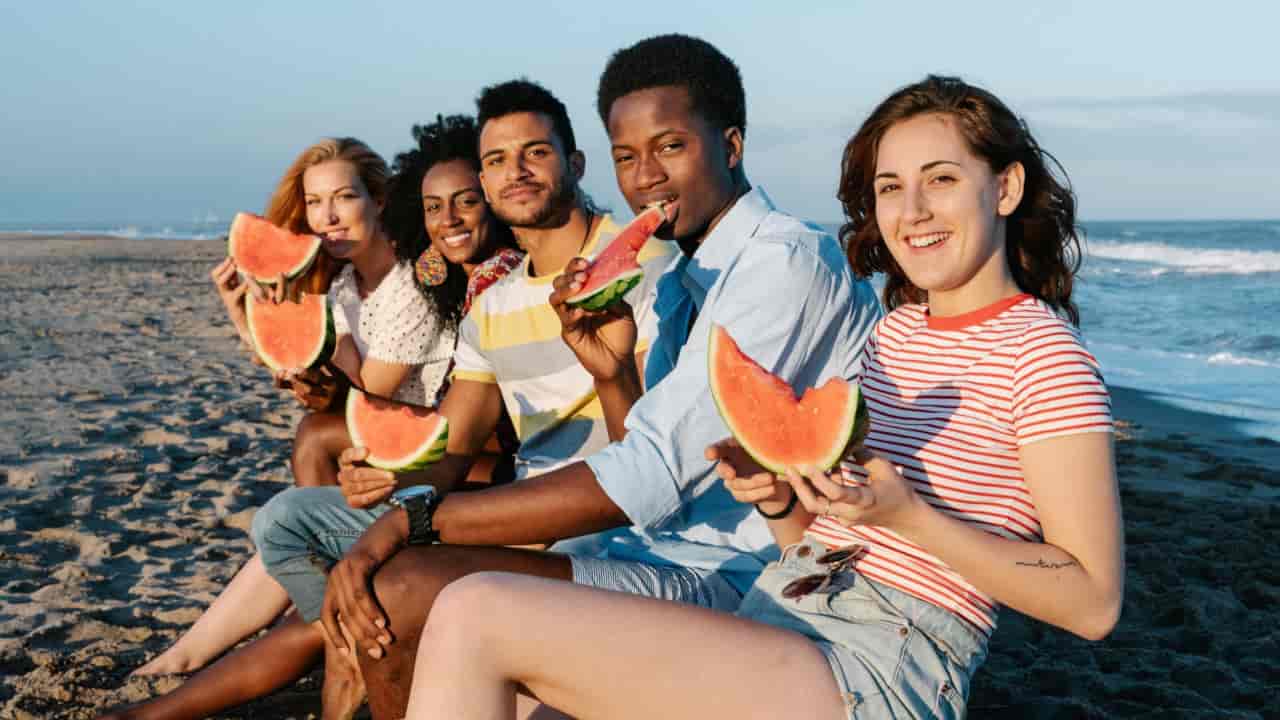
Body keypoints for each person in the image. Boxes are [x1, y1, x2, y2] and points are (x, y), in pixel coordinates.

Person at [401, 74, 1125, 720]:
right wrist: (779, 501)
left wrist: (912, 518)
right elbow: (826, 540)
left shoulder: (1045, 355)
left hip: (882, 663)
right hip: (786, 604)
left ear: (1004, 188)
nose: (913, 211)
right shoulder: (898, 332)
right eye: (890, 187)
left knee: (474, 611)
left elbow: (1093, 602)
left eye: (940, 179)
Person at [310, 36, 882, 718]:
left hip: (745, 577)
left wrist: (416, 518)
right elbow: (652, 465)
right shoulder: (683, 277)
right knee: (403, 588)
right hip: (662, 552)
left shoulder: (783, 264)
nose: (645, 177)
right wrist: (610, 375)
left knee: (402, 584)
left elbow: (650, 476)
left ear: (730, 146)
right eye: (626, 157)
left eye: (671, 147)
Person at [251, 78, 680, 718]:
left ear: (575, 162)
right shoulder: (493, 304)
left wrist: (610, 374)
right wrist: (386, 474)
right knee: (284, 521)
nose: (516, 172)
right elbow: (448, 451)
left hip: (605, 525)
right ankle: (350, 653)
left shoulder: (649, 267)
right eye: (498, 160)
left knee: (390, 584)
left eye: (535, 152)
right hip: (515, 514)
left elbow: (648, 461)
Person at [99, 122, 524, 719]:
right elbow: (301, 363)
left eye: (343, 197)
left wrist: (305, 335)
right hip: (414, 440)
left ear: (378, 200)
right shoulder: (348, 281)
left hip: (451, 449)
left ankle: (323, 637)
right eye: (315, 202)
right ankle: (316, 628)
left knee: (312, 449)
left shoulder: (414, 280)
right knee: (313, 441)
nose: (326, 216)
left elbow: (368, 386)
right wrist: (246, 311)